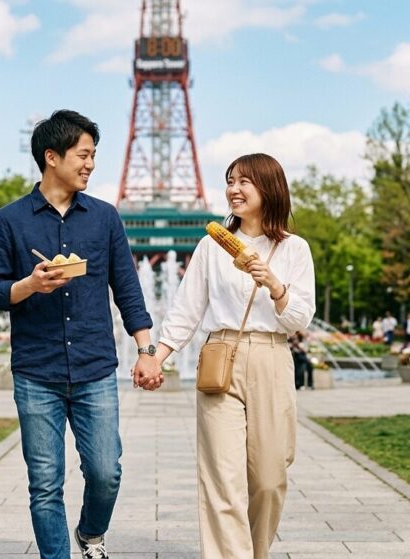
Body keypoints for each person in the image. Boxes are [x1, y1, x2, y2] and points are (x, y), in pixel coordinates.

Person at [0, 110, 158, 559]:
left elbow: (128, 290)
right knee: (45, 484)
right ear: (51, 157)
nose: (90, 164)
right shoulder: (9, 220)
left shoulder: (105, 218)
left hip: (95, 367)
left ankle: (91, 533)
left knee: (105, 472)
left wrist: (146, 350)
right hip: (36, 372)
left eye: (94, 155)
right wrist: (29, 285)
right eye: (83, 154)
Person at [154, 153, 315, 559]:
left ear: (269, 188)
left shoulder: (295, 249)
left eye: (244, 181)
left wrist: (274, 284)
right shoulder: (211, 246)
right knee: (223, 480)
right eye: (229, 180)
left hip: (272, 358)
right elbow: (186, 308)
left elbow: (299, 320)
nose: (233, 189)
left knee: (269, 479)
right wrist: (157, 356)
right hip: (220, 356)